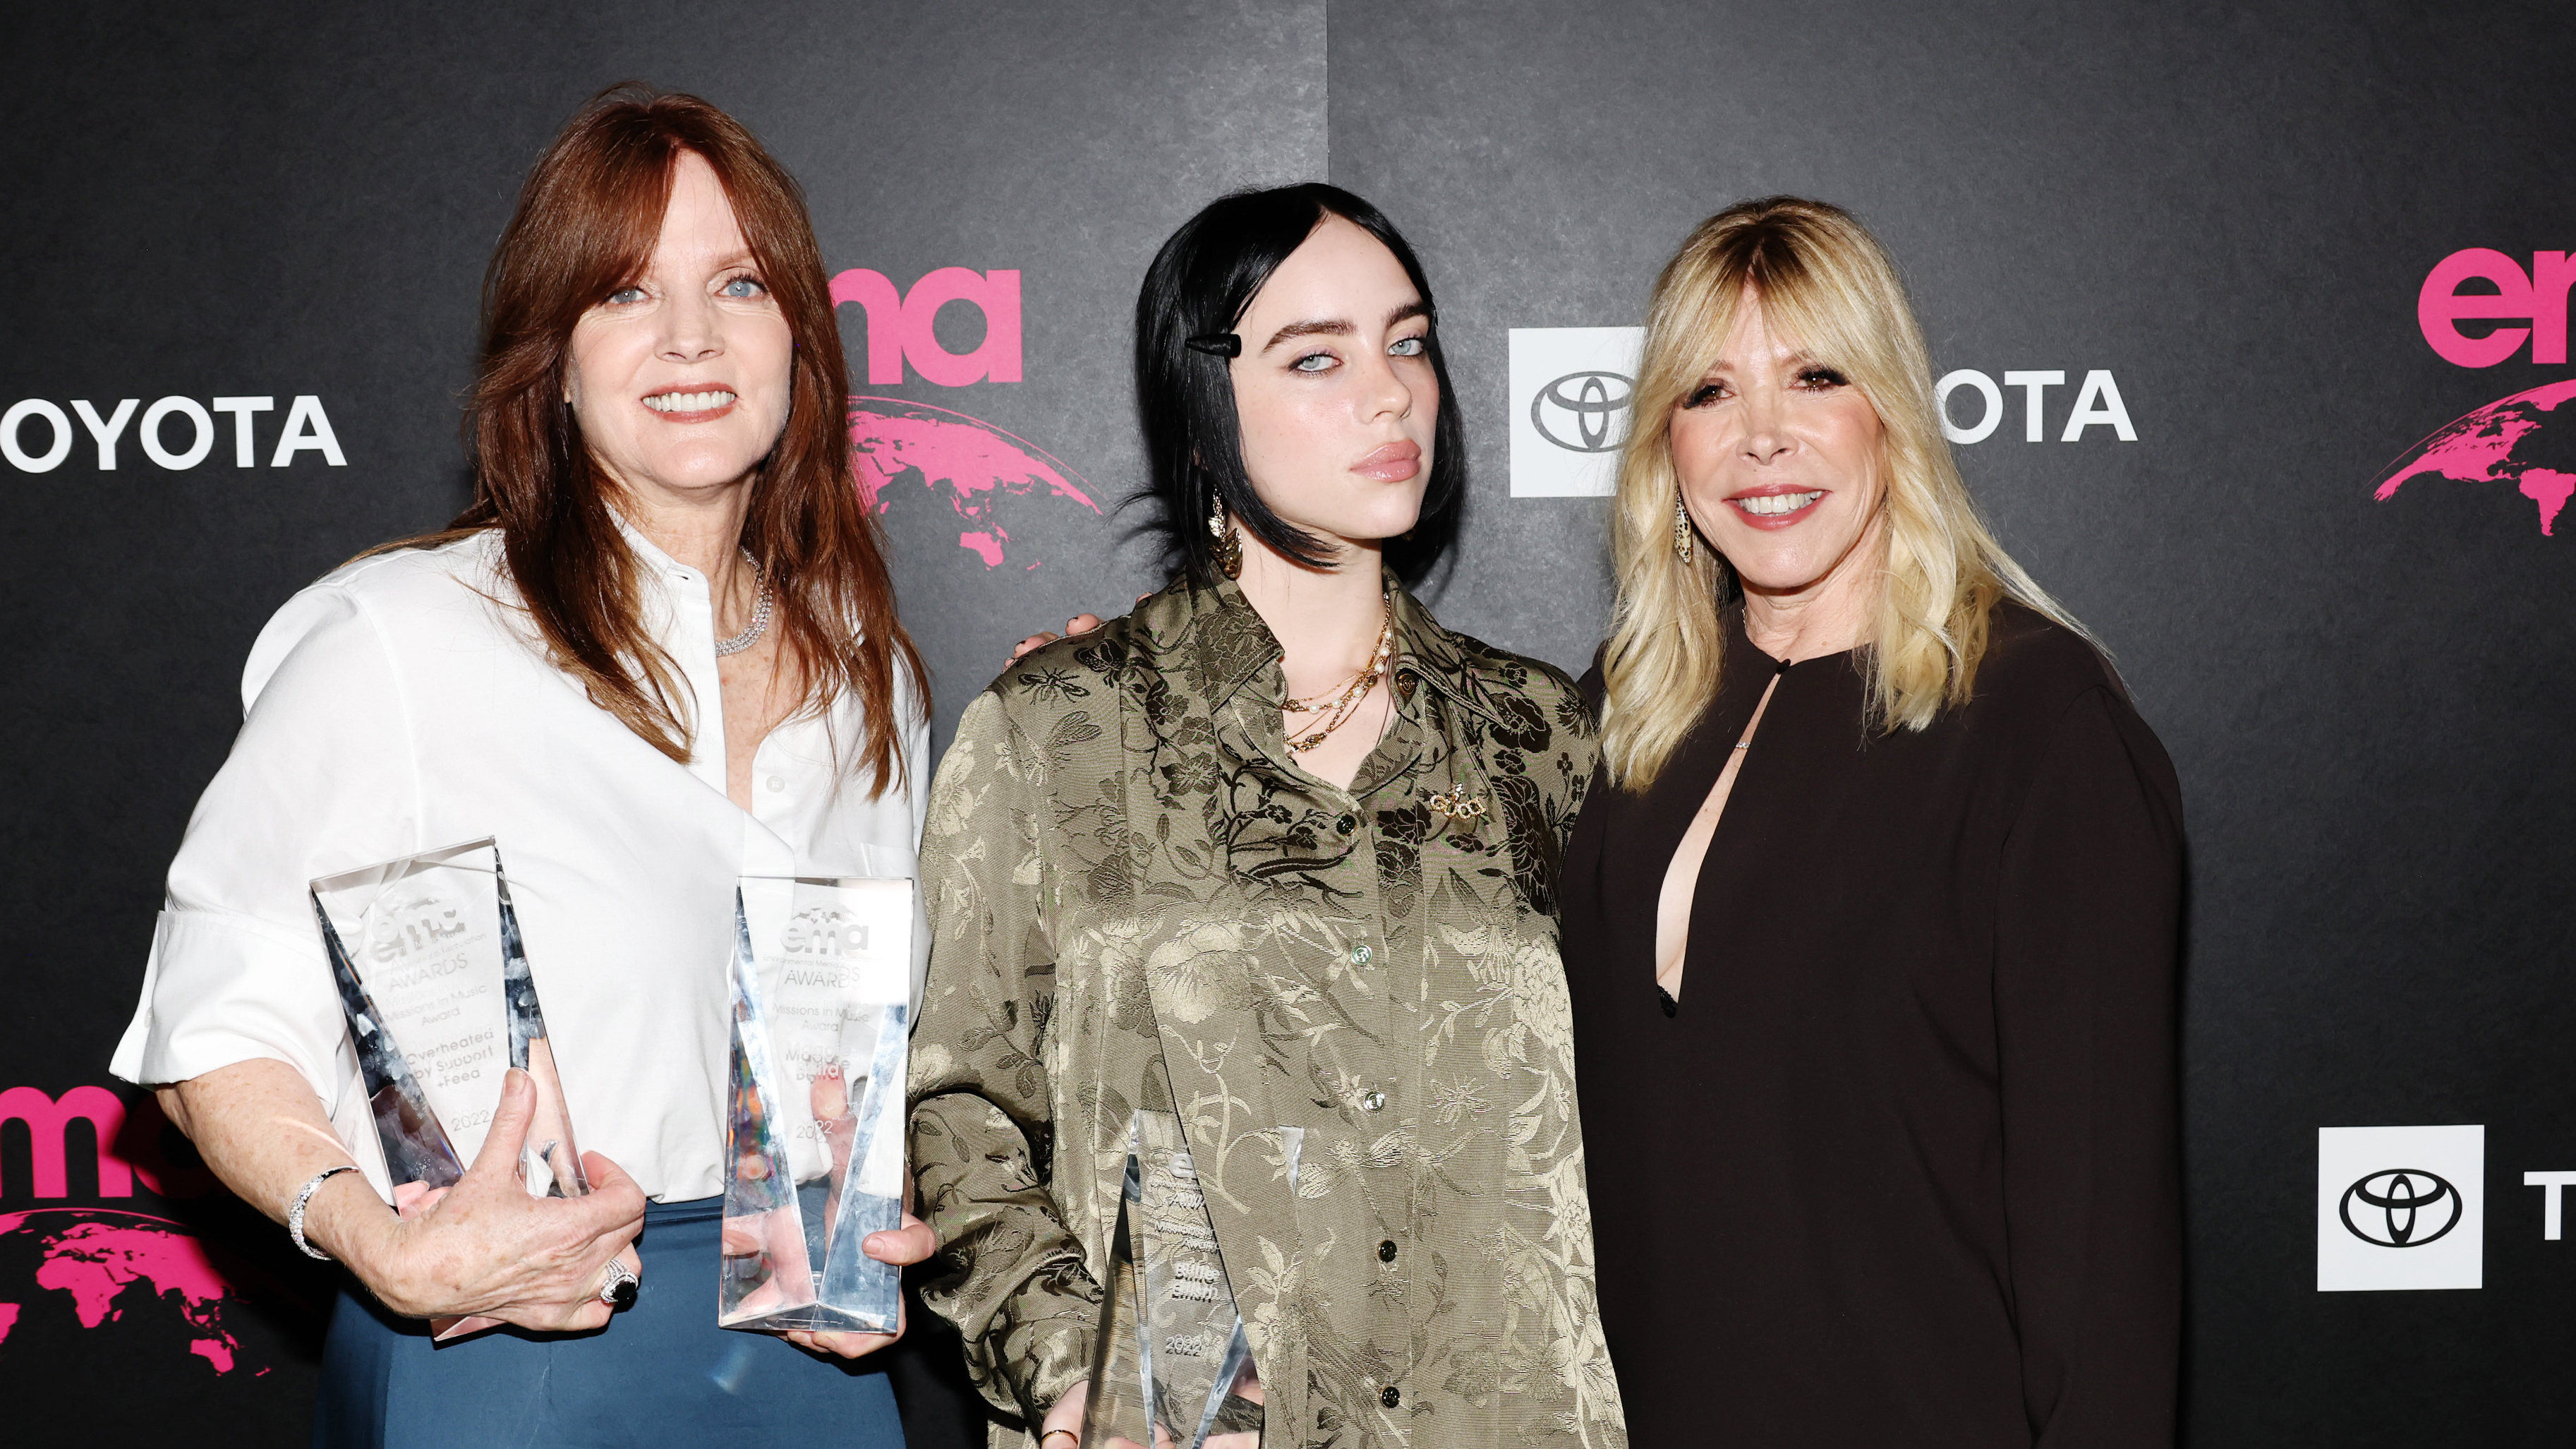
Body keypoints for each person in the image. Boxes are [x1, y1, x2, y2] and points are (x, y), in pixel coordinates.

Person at [108, 85, 938, 1445]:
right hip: (509, 1358)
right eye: (623, 293)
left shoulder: (869, 674)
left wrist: (866, 1220)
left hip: (814, 1368)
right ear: (551, 356)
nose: (689, 337)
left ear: (801, 337)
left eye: (737, 282)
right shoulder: (405, 638)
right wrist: (375, 1240)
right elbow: (212, 1021)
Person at [906, 184, 1627, 1449]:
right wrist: (1081, 1373)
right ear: (1201, 408)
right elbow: (958, 1109)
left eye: (1407, 341)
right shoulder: (1058, 731)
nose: (1390, 391)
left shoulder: (1543, 733)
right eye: (1315, 356)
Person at [1561, 198, 2184, 1446]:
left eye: (1815, 376)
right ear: (1664, 447)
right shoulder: (1619, 715)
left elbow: (2103, 1259)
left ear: (1890, 409)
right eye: (1710, 393)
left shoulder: (2037, 728)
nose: (1763, 439)